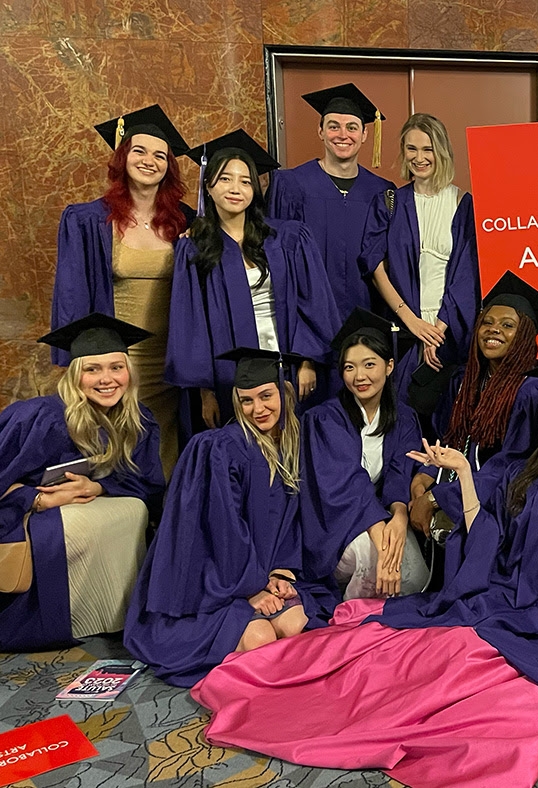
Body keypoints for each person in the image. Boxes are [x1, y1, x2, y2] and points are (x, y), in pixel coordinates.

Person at [189, 361, 538, 787]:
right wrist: (465, 475)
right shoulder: (527, 473)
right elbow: (490, 537)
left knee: (455, 662)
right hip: (505, 600)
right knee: (406, 649)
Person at [125, 348, 326, 687]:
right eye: (246, 401)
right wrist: (251, 587)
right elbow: (223, 529)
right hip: (216, 583)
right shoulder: (221, 449)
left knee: (294, 625)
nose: (257, 409)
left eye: (265, 396)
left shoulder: (292, 444)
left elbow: (290, 521)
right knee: (261, 636)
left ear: (283, 392)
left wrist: (279, 572)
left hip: (260, 573)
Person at [0, 315, 164, 651]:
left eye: (116, 367)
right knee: (76, 521)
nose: (107, 379)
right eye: (93, 370)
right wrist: (36, 499)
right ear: (76, 376)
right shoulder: (38, 417)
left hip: (78, 511)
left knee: (132, 508)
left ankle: (110, 618)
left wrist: (98, 487)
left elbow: (148, 484)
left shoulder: (138, 419)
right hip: (26, 517)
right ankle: (56, 620)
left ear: (129, 372)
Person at [166, 130, 341, 432]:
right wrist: (205, 392)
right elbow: (191, 326)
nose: (236, 188)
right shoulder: (194, 251)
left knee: (293, 436)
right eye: (225, 179)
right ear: (208, 187)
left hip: (289, 362)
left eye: (245, 181)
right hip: (228, 376)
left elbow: (312, 302)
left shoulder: (287, 238)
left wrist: (309, 361)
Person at [52, 106, 192, 477]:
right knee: (121, 438)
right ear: (122, 157)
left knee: (168, 439)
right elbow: (72, 294)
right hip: (118, 357)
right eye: (139, 151)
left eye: (160, 155)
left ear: (169, 166)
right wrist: (76, 361)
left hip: (171, 356)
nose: (150, 161)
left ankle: (163, 521)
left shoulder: (185, 222)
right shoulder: (89, 221)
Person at [407, 272, 538, 572]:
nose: (494, 330)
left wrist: (438, 497)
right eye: (487, 322)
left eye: (507, 325)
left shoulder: (530, 392)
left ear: (525, 336)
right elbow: (447, 437)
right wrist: (424, 476)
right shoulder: (463, 382)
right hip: (452, 488)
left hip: (496, 505)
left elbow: (512, 465)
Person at [299, 308, 429, 609]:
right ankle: (356, 622)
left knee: (414, 575)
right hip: (334, 523)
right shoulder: (325, 418)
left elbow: (400, 472)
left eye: (369, 364)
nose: (359, 376)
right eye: (349, 367)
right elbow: (347, 482)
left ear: (390, 365)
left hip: (378, 515)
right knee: (377, 559)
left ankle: (387, 632)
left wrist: (399, 516)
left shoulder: (404, 417)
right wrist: (382, 535)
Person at [360, 112, 479, 398]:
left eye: (428, 149)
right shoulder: (390, 202)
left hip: (450, 330)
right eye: (411, 148)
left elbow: (467, 273)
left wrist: (436, 331)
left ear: (442, 151)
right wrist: (412, 323)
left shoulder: (463, 204)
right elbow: (375, 266)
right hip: (402, 327)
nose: (419, 157)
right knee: (401, 412)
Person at [268, 83, 396, 322]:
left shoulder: (381, 191)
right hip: (307, 317)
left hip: (367, 319)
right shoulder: (291, 185)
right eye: (333, 126)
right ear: (321, 132)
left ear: (365, 135)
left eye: (352, 127)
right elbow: (274, 255)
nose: (343, 135)